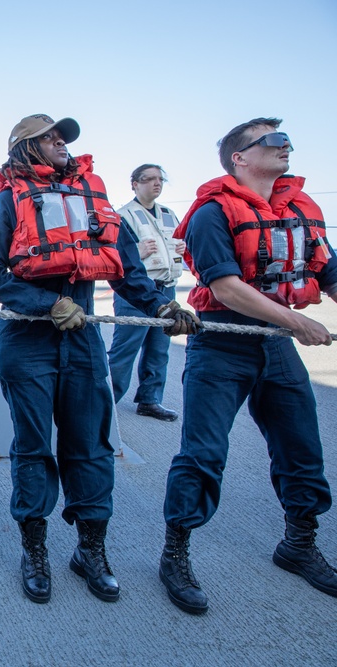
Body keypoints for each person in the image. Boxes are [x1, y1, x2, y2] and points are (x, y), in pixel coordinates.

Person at [0, 115, 199, 605]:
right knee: (33, 447)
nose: (62, 142)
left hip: (82, 342)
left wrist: (161, 305)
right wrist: (45, 304)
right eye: (51, 136)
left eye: (64, 137)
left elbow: (125, 267)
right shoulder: (8, 202)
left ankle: (90, 550)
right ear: (26, 148)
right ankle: (34, 549)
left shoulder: (91, 198)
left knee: (91, 446)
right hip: (26, 338)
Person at [159, 118, 337, 615]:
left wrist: (291, 324)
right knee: (203, 453)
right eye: (275, 142)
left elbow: (329, 270)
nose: (287, 148)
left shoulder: (302, 209)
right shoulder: (212, 213)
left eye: (288, 141)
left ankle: (298, 544)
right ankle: (175, 554)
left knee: (302, 448)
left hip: (277, 344)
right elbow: (224, 286)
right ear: (239, 157)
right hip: (221, 342)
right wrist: (296, 323)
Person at [107, 164, 187, 422]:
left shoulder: (169, 214)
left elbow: (176, 245)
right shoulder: (122, 216)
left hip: (167, 288)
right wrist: (136, 254)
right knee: (125, 350)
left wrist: (184, 248)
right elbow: (111, 256)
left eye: (160, 179)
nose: (157, 183)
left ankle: (150, 400)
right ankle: (107, 401)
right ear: (134, 184)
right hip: (135, 292)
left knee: (159, 348)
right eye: (149, 179)